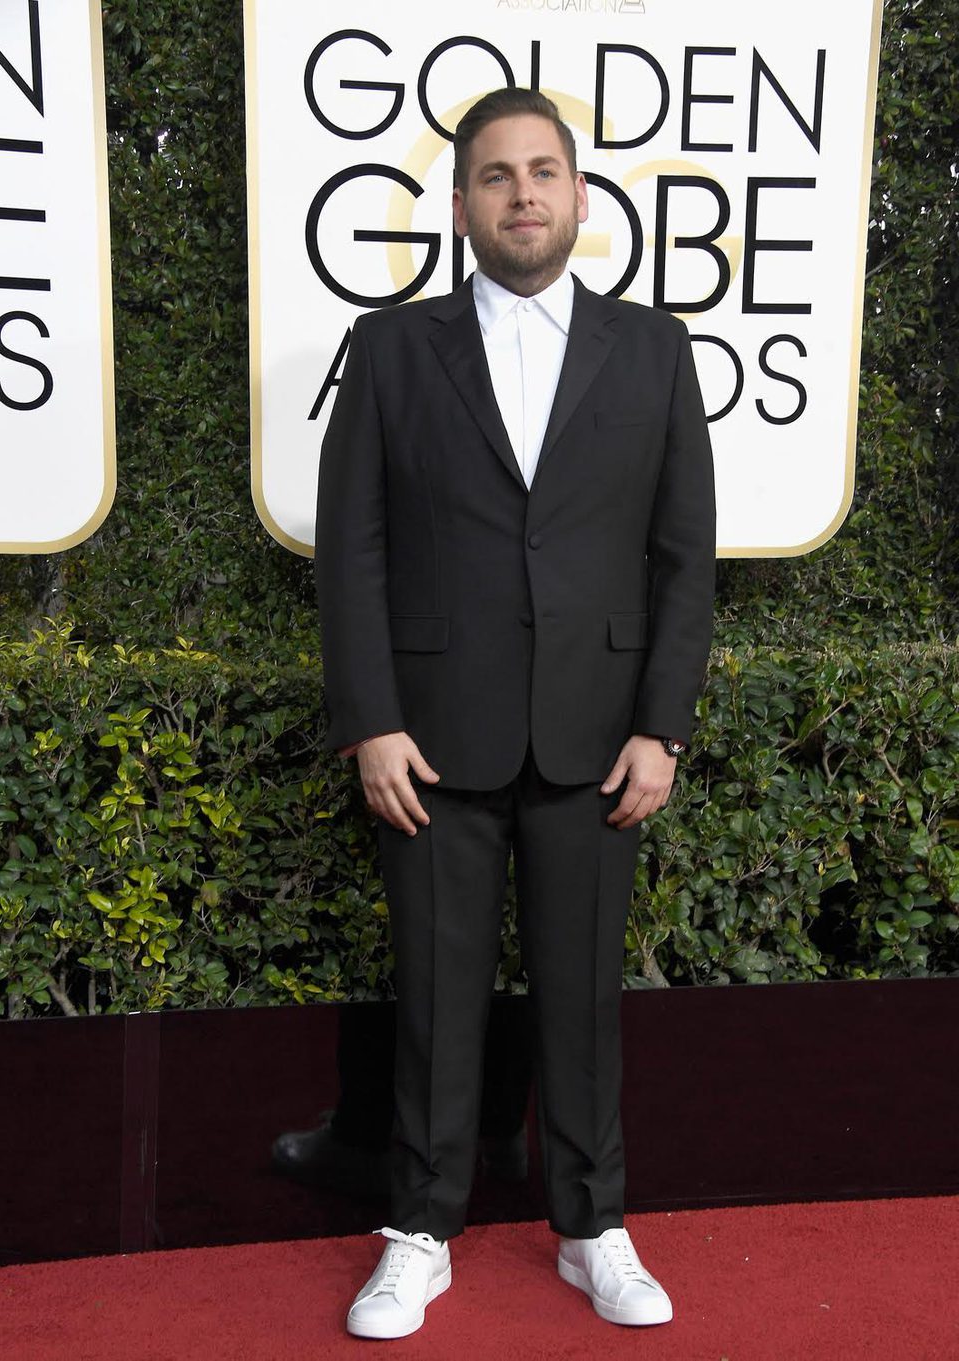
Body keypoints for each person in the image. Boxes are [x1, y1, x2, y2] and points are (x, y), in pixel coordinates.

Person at [315, 87, 715, 1340]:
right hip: (428, 735)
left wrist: (665, 723)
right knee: (435, 995)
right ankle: (421, 1229)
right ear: (463, 202)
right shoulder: (390, 348)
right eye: (497, 174)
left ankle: (592, 1226)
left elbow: (684, 556)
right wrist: (370, 716)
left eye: (544, 170)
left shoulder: (654, 347)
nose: (524, 192)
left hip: (602, 736)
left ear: (580, 195)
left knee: (584, 995)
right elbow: (353, 549)